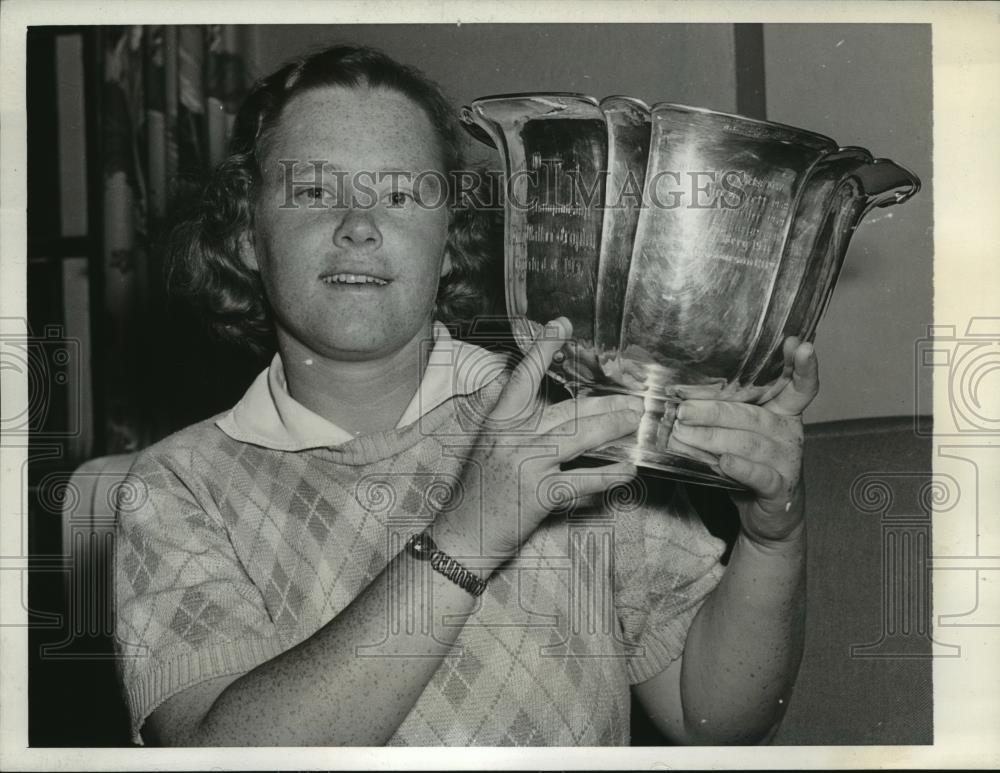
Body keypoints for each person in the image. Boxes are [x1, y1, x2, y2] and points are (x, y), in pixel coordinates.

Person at [114, 44, 819, 747]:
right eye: (314, 190)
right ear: (245, 233)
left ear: (450, 239)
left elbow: (718, 720)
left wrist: (770, 534)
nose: (359, 224)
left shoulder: (567, 424)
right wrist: (472, 530)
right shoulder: (177, 486)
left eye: (400, 194)